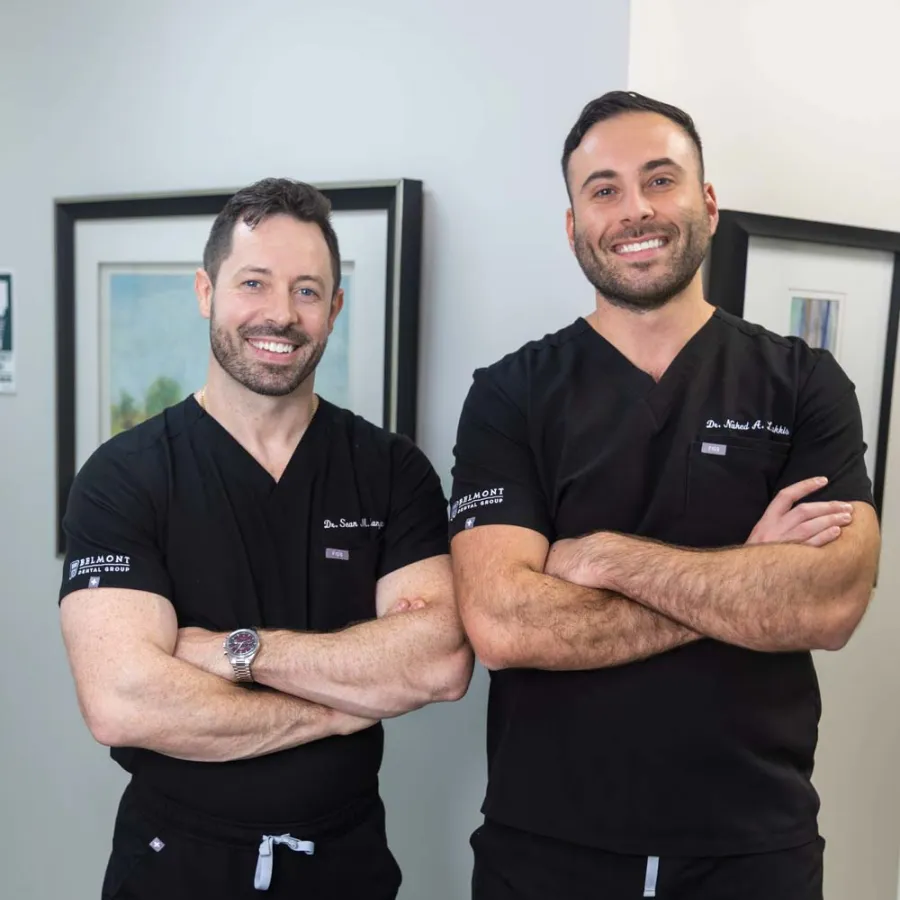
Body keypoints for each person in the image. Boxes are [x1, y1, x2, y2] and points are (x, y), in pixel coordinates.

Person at [449, 91, 880, 900]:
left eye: (660, 179)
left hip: (752, 848)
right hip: (545, 847)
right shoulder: (511, 395)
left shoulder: (804, 383)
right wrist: (748, 578)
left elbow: (828, 605)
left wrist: (606, 557)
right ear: (572, 224)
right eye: (603, 189)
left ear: (706, 203)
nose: (635, 209)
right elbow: (504, 624)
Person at [59, 177, 473, 899]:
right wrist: (344, 703)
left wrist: (232, 653)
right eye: (254, 283)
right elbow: (123, 702)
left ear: (336, 308)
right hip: (172, 867)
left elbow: (437, 661)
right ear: (205, 291)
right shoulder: (123, 476)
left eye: (309, 291)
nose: (280, 314)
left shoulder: (389, 469)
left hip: (345, 865)